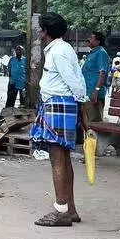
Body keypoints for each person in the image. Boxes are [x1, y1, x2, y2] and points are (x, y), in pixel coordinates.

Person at [29, 13, 87, 227]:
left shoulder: (58, 52)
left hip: (58, 104)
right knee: (63, 158)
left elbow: (75, 81)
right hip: (60, 103)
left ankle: (61, 210)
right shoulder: (63, 49)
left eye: (40, 28)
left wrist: (81, 105)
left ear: (44, 31)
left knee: (57, 159)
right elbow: (77, 80)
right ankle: (69, 209)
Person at [81, 31, 111, 123]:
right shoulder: (92, 53)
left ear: (98, 41)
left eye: (91, 38)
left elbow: (102, 73)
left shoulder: (101, 53)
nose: (88, 39)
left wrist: (96, 91)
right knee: (87, 123)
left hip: (95, 95)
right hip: (87, 93)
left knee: (94, 123)